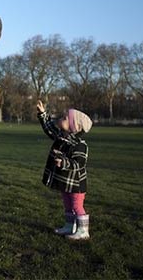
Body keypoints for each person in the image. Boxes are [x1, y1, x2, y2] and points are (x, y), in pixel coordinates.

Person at [36, 100, 93, 241]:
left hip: (76, 184)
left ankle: (83, 230)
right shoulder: (62, 137)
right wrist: (42, 114)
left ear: (74, 126)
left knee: (77, 206)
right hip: (66, 182)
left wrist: (64, 162)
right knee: (67, 204)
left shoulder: (80, 145)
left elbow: (79, 163)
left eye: (65, 118)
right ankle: (70, 226)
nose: (61, 119)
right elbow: (49, 128)